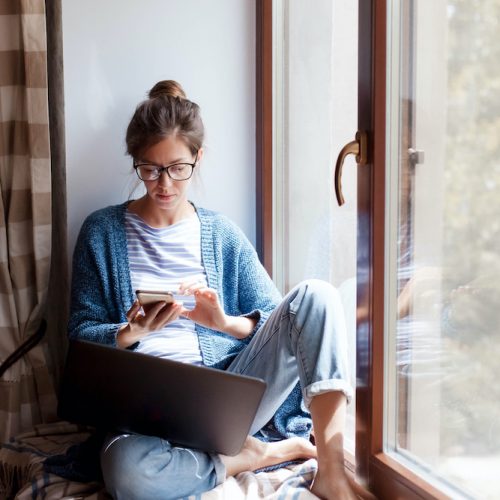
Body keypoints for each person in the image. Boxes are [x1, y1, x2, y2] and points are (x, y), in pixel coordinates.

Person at [69, 80, 373, 500]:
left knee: (317, 295)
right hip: (141, 415)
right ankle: (252, 457)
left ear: (198, 157)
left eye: (178, 168)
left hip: (225, 403)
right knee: (128, 475)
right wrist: (129, 333)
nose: (164, 184)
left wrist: (226, 323)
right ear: (135, 162)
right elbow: (79, 337)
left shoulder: (221, 234)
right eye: (150, 168)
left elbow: (283, 320)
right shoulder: (100, 232)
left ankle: (333, 471)